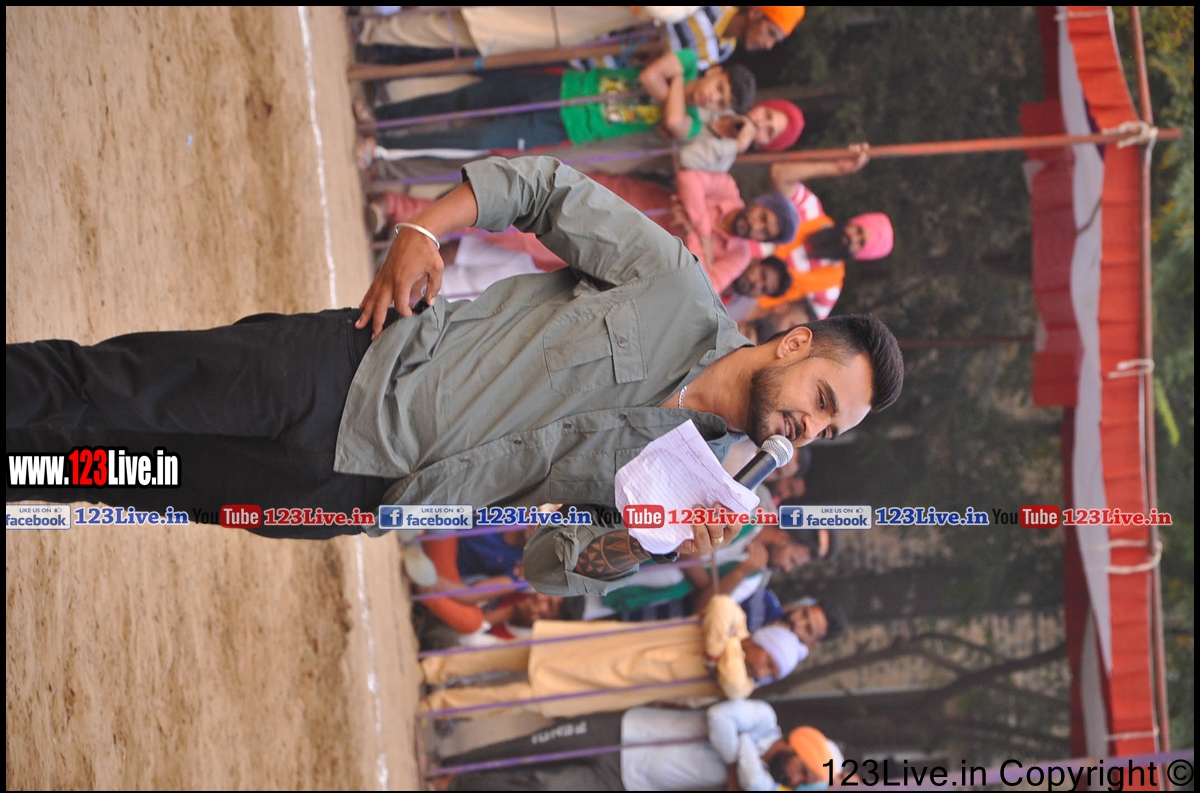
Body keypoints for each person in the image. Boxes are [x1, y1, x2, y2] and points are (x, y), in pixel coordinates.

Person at [7, 156, 903, 597]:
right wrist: (424, 229)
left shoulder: (689, 486)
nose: (807, 429)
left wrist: (647, 543)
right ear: (794, 344)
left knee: (119, 474)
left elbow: (548, 565)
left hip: (356, 496)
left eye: (827, 431)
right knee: (100, 386)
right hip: (352, 369)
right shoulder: (672, 282)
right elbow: (544, 189)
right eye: (822, 401)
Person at [419, 595, 804, 717]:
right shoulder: (734, 624)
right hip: (602, 645)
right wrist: (721, 648)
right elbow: (720, 604)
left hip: (607, 685)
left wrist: (722, 649)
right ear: (763, 641)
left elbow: (734, 684)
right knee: (512, 656)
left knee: (519, 698)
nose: (763, 669)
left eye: (771, 671)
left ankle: (438, 706)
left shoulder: (740, 684)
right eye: (769, 660)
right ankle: (433, 669)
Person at [357, 48, 756, 160]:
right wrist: (678, 85)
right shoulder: (687, 60)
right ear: (715, 71)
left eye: (722, 103)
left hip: (566, 128)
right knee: (466, 98)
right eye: (719, 87)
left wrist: (678, 84)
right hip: (563, 86)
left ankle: (383, 148)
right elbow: (652, 75)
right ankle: (381, 118)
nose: (713, 97)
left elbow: (674, 121)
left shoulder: (693, 121)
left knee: (478, 139)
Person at [435, 699, 840, 791]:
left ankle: (456, 785)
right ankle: (448, 763)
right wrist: (741, 752)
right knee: (532, 748)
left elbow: (753, 783)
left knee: (544, 786)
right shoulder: (764, 718)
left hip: (628, 782)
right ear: (798, 746)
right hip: (626, 730)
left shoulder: (768, 783)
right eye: (803, 769)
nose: (795, 778)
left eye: (803, 781)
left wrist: (739, 746)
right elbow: (719, 716)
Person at [357, 7, 807, 72]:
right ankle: (375, 23)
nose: (768, 43)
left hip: (581, 45)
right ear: (757, 12)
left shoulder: (722, 51)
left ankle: (378, 37)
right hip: (584, 17)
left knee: (480, 35)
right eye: (772, 31)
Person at [745, 146, 894, 319]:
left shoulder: (830, 285)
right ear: (853, 222)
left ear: (859, 255)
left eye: (860, 242)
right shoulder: (811, 211)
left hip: (739, 302)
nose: (852, 238)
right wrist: (836, 168)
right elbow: (779, 174)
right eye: (858, 230)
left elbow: (811, 325)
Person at [671, 169, 800, 294]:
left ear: (763, 241)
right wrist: (703, 234)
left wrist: (690, 233)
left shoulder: (740, 255)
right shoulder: (728, 189)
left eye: (764, 233)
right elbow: (688, 178)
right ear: (759, 203)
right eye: (762, 217)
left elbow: (707, 288)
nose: (755, 226)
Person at [678, 99, 806, 173]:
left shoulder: (722, 163)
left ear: (764, 145)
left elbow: (684, 158)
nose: (760, 124)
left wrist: (736, 145)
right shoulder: (718, 102)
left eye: (768, 132)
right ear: (761, 106)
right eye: (767, 115)